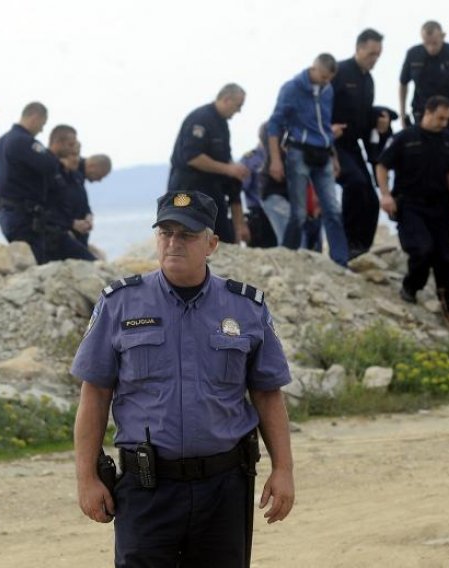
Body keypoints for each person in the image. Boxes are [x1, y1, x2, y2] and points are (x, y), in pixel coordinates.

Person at [72, 190, 295, 567]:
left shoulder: (245, 308)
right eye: (166, 232)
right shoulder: (120, 304)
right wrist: (86, 478)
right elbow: (94, 395)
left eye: (187, 235)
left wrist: (284, 470)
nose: (174, 242)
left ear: (211, 243)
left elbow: (268, 395)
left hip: (223, 489)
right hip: (147, 488)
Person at [376, 96, 449, 320]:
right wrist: (385, 195)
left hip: (440, 207)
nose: (444, 123)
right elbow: (382, 165)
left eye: (447, 119)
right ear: (428, 112)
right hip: (411, 205)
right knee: (422, 250)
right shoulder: (405, 138)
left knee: (444, 259)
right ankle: (410, 287)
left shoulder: (447, 141)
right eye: (440, 118)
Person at [268, 53, 349, 266]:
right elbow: (274, 125)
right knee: (300, 212)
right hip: (299, 151)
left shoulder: (327, 90)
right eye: (322, 77)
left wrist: (334, 155)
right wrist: (275, 160)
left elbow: (325, 125)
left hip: (323, 151)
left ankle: (341, 261)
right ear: (314, 68)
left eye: (329, 79)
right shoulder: (292, 88)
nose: (325, 82)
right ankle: (287, 256)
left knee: (332, 208)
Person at [331, 28, 394, 260]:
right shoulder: (339, 72)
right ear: (358, 49)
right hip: (333, 142)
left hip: (354, 143)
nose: (375, 59)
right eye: (371, 54)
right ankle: (347, 244)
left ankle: (362, 248)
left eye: (378, 54)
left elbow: (365, 116)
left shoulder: (368, 80)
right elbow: (321, 104)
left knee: (371, 197)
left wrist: (381, 122)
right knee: (355, 184)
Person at [168, 84, 250, 244]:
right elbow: (193, 157)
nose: (239, 111)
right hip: (186, 189)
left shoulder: (223, 125)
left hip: (212, 190)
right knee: (189, 237)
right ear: (226, 99)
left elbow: (225, 160)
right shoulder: (200, 119)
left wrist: (234, 169)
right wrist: (228, 169)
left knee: (224, 238)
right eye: (238, 106)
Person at [0, 102, 64, 264]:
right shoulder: (24, 141)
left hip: (7, 212)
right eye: (42, 124)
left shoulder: (1, 142)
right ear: (34, 118)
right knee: (36, 261)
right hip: (24, 215)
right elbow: (50, 165)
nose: (41, 130)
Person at [45, 127, 97, 261]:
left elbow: (84, 203)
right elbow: (49, 210)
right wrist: (71, 224)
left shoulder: (77, 177)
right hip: (59, 236)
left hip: (80, 236)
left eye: (78, 155)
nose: (76, 160)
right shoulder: (52, 176)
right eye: (72, 155)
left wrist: (89, 216)